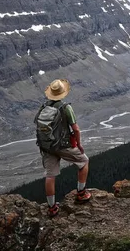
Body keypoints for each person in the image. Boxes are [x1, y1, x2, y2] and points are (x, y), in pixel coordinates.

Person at [38, 78, 92, 217]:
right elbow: (76, 129)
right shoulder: (66, 107)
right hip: (62, 145)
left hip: (47, 146)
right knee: (84, 162)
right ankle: (81, 193)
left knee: (50, 175)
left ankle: (52, 208)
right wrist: (79, 145)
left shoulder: (44, 107)